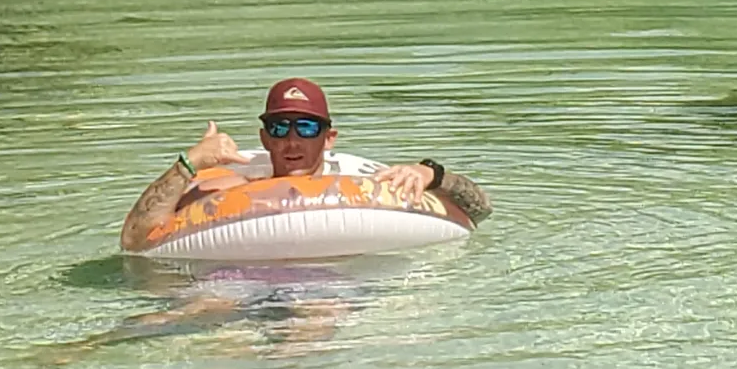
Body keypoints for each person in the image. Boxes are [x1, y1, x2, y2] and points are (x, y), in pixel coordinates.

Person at [119, 76, 491, 252]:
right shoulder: (229, 187)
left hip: (333, 289)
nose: (292, 140)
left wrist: (432, 173)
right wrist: (189, 162)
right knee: (178, 320)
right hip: (238, 281)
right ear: (265, 138)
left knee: (314, 318)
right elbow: (135, 240)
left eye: (307, 127)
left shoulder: (369, 182)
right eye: (279, 128)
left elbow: (480, 211)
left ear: (329, 138)